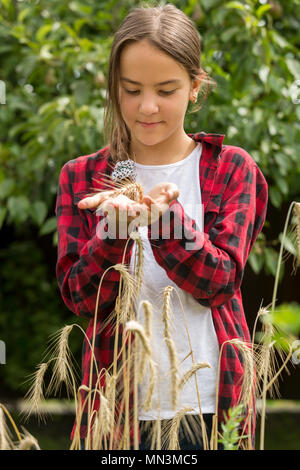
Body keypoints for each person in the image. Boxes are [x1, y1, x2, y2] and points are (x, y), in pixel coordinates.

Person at [55, 3, 268, 450]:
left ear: (195, 86)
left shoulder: (231, 170)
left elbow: (220, 282)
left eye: (166, 90)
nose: (146, 106)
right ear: (113, 88)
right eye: (131, 90)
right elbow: (79, 298)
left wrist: (166, 223)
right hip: (115, 408)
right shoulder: (81, 177)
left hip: (212, 405)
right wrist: (111, 233)